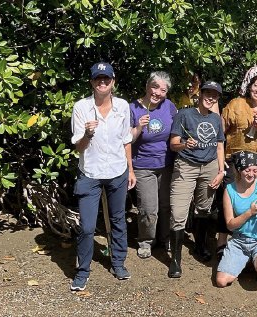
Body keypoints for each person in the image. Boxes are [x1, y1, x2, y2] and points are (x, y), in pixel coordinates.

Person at [69, 62, 136, 291]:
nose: (102, 82)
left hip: (118, 171)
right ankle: (83, 271)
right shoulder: (81, 108)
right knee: (87, 226)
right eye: (98, 79)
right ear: (92, 82)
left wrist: (131, 169)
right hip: (90, 173)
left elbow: (126, 139)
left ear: (113, 81)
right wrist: (88, 133)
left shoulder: (123, 106)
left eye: (106, 79)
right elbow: (79, 147)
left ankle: (118, 263)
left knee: (118, 219)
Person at [167, 81, 226, 278]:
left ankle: (200, 246)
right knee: (178, 211)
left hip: (209, 167)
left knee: (204, 208)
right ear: (199, 95)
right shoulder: (184, 114)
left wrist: (220, 171)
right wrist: (184, 144)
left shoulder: (216, 119)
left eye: (214, 95)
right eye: (207, 93)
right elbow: (173, 143)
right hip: (186, 165)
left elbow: (219, 146)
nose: (210, 98)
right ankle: (175, 260)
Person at [129, 71, 177, 259]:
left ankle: (165, 239)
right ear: (147, 86)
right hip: (143, 165)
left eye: (162, 90)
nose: (157, 93)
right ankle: (146, 240)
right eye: (155, 87)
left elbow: (177, 131)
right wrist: (139, 127)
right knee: (148, 208)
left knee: (166, 206)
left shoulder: (169, 107)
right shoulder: (133, 107)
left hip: (166, 164)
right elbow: (128, 140)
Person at [215, 151, 257, 287]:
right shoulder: (229, 190)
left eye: (255, 170)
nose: (251, 174)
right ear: (239, 170)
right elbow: (230, 225)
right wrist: (249, 213)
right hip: (240, 239)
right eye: (247, 170)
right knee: (221, 281)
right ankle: (247, 260)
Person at [221, 74, 257, 180]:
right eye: (255, 85)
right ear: (250, 87)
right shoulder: (235, 103)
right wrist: (219, 158)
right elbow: (220, 133)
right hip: (236, 159)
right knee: (233, 193)